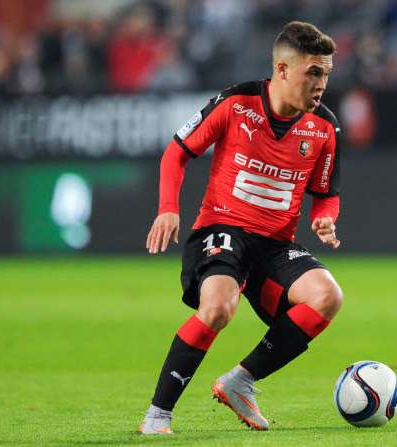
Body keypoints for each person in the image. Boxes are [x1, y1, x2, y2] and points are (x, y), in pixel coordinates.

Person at [139, 21, 343, 434]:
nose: (322, 83)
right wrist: (167, 209)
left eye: (326, 73)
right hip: (222, 228)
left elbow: (325, 193)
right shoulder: (236, 103)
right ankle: (157, 416)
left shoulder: (324, 127)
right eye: (313, 72)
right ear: (282, 69)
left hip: (274, 245)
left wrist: (325, 218)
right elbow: (176, 153)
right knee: (218, 307)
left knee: (327, 296)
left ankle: (240, 381)